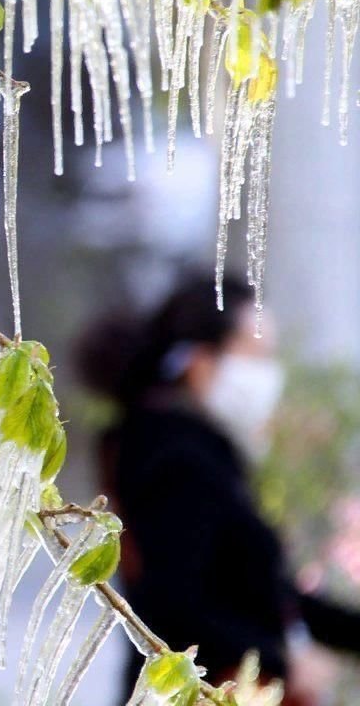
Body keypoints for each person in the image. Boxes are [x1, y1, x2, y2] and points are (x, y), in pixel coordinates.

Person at [75, 273, 360, 705]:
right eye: (257, 355)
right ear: (202, 363)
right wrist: (282, 662)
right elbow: (173, 607)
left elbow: (263, 591)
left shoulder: (194, 451)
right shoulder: (176, 460)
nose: (269, 375)